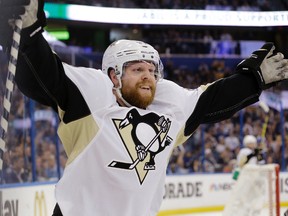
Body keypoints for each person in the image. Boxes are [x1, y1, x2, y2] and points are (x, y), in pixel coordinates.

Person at [1, 1, 288, 215]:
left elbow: (216, 99)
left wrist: (255, 79)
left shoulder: (170, 106)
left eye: (151, 69)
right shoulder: (91, 98)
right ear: (113, 75)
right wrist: (29, 32)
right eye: (137, 69)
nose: (148, 75)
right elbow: (44, 74)